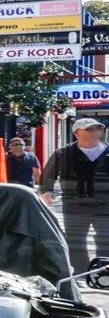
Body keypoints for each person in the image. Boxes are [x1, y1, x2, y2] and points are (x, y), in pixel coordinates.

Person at [40, 117, 109, 273]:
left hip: (105, 205)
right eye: (90, 129)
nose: (96, 132)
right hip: (74, 205)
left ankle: (103, 271)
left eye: (98, 129)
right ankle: (80, 272)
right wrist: (47, 190)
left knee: (106, 239)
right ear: (77, 133)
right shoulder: (63, 153)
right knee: (75, 240)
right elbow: (48, 174)